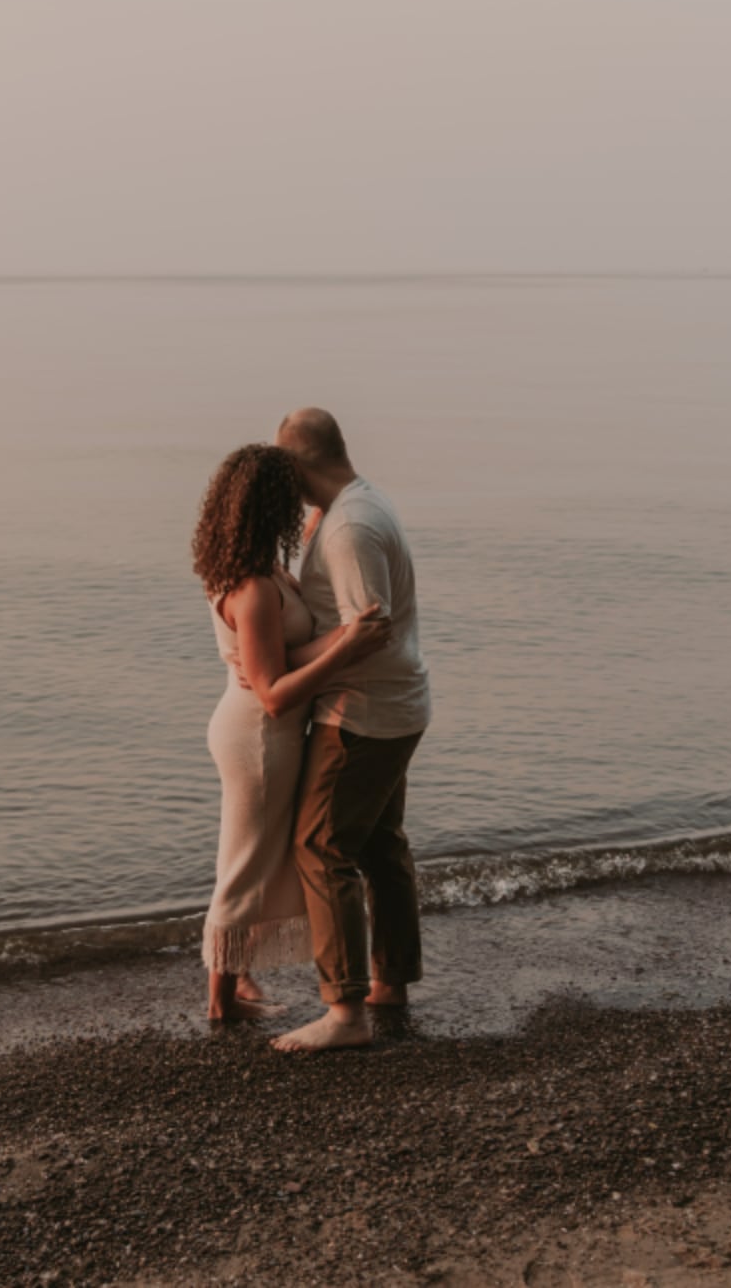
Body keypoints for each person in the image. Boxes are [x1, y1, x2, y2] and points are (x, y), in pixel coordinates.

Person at [191, 443, 392, 1022]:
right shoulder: (253, 589)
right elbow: (276, 695)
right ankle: (220, 1005)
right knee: (245, 864)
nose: (301, 506)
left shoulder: (252, 563)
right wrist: (348, 647)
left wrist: (339, 636)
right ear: (267, 508)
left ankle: (240, 979)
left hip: (254, 727)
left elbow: (282, 653)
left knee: (255, 857)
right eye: (292, 499)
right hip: (259, 737)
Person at [270, 409, 433, 1053]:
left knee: (321, 846)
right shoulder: (357, 502)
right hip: (396, 706)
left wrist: (291, 667)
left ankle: (345, 1012)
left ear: (297, 464)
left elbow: (370, 631)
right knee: (379, 845)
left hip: (362, 713)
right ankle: (390, 982)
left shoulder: (350, 528)